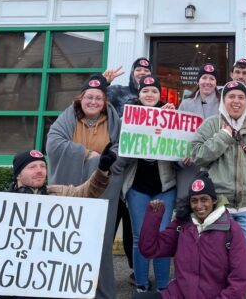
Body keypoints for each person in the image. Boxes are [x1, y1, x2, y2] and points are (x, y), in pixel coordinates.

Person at [0, 145, 117, 296]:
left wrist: (102, 170)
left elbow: (87, 192)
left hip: (46, 283)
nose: (39, 170)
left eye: (43, 166)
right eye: (32, 166)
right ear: (18, 174)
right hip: (8, 285)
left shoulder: (58, 193)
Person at [191, 80, 246, 299]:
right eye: (231, 97)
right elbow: (197, 155)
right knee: (217, 262)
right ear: (223, 100)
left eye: (240, 97)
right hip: (220, 208)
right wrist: (224, 137)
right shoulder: (211, 125)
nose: (236, 101)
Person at [45, 74, 123, 299]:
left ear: (105, 101)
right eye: (89, 97)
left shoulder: (113, 119)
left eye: (99, 98)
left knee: (99, 239)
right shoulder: (66, 118)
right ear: (80, 98)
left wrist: (105, 162)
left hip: (104, 190)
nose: (94, 102)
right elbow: (54, 144)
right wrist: (89, 155)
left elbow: (122, 148)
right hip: (71, 187)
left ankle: (99, 292)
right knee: (67, 237)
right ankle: (64, 288)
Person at [133, 171, 246, 299]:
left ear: (214, 200)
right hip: (178, 295)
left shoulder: (232, 230)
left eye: (204, 200)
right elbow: (149, 249)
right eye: (194, 201)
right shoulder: (182, 225)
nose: (199, 206)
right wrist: (154, 216)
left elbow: (239, 280)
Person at [119, 74, 177, 293]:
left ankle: (163, 286)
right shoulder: (129, 116)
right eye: (145, 91)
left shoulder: (171, 114)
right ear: (139, 94)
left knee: (162, 236)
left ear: (159, 94)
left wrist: (170, 121)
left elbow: (179, 153)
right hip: (137, 187)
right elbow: (121, 149)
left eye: (154, 91)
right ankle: (141, 285)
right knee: (138, 237)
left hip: (164, 187)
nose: (150, 94)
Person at [104, 57, 153, 285]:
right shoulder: (117, 92)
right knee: (108, 223)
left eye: (146, 70)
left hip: (136, 173)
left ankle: (136, 271)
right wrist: (103, 82)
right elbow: (92, 101)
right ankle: (95, 272)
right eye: (139, 69)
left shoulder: (152, 98)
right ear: (133, 73)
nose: (142, 73)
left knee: (133, 225)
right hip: (115, 167)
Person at [176, 63, 220, 202]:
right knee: (186, 209)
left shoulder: (223, 105)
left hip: (214, 167)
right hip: (189, 167)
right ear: (198, 81)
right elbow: (177, 133)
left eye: (212, 78)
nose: (207, 82)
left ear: (216, 82)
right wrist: (181, 158)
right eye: (204, 78)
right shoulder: (186, 104)